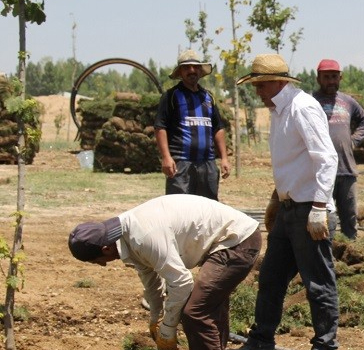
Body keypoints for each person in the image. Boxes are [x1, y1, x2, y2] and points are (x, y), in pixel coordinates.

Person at [236, 53, 340, 350]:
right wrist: (277, 199)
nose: (257, 92)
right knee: (271, 278)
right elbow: (292, 163)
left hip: (310, 211)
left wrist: (320, 207)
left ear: (278, 82)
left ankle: (325, 344)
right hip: (288, 209)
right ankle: (260, 340)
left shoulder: (303, 108)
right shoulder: (279, 111)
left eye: (260, 85)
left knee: (318, 283)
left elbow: (326, 158)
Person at [67, 194, 261, 350]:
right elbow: (151, 280)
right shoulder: (123, 233)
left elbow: (182, 282)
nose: (102, 265)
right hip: (221, 243)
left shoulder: (142, 236)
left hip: (237, 240)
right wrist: (155, 318)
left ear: (106, 249)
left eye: (97, 261)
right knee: (208, 305)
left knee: (195, 312)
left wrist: (168, 329)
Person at [155, 49, 230, 201]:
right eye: (186, 67)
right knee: (179, 209)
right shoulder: (171, 96)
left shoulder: (208, 97)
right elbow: (160, 127)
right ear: (180, 72)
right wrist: (166, 157)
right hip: (181, 164)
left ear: (200, 71)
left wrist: (224, 158)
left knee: (207, 209)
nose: (191, 70)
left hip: (207, 164)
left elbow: (218, 128)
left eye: (195, 67)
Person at [312, 59, 364, 240]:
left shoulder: (347, 102)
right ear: (318, 79)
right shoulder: (310, 101)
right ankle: (327, 256)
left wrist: (353, 141)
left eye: (334, 77)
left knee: (349, 217)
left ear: (340, 78)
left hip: (346, 169)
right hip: (320, 173)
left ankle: (350, 252)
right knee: (325, 219)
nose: (331, 81)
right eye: (326, 77)